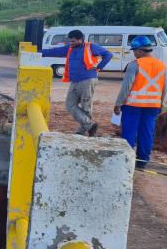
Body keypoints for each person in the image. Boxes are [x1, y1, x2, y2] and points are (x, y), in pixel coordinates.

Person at [41, 29, 113, 136]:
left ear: (80, 40)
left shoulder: (91, 47)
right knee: (70, 105)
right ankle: (90, 125)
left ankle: (83, 130)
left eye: (73, 41)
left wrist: (99, 67)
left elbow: (108, 54)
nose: (71, 43)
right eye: (70, 41)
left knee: (86, 106)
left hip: (87, 80)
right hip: (75, 81)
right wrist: (38, 52)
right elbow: (55, 51)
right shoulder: (70, 48)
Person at [114, 36, 166, 169]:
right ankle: (142, 161)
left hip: (133, 105)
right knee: (147, 132)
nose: (134, 53)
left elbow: (127, 87)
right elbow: (164, 88)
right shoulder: (162, 66)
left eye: (134, 50)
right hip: (152, 106)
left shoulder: (135, 64)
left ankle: (127, 160)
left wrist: (118, 103)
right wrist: (160, 104)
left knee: (129, 132)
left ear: (139, 50)